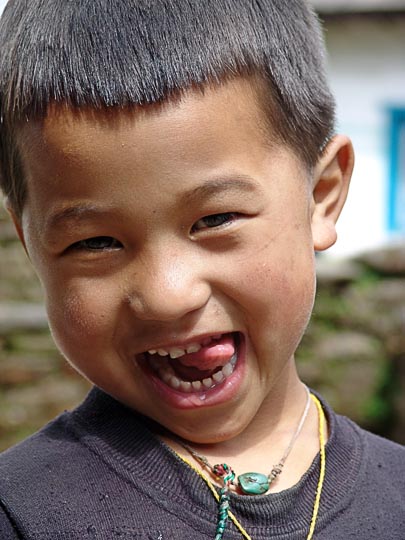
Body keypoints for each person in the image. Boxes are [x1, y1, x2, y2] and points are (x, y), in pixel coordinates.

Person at [0, 0, 404, 538]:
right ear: (32, 246)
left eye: (215, 219)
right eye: (95, 242)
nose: (168, 294)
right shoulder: (21, 513)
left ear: (322, 196)